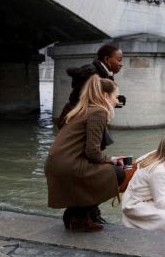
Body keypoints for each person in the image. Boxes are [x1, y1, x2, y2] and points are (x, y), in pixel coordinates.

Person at [45, 75, 126, 232]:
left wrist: (111, 159)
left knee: (108, 170)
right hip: (70, 166)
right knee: (118, 173)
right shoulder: (99, 113)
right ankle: (80, 217)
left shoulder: (81, 110)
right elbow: (92, 152)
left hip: (56, 164)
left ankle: (74, 214)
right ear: (105, 96)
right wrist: (112, 160)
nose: (117, 101)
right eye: (115, 97)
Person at [57, 44, 125, 130]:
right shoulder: (91, 73)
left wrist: (115, 100)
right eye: (119, 60)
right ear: (107, 59)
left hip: (84, 119)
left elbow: (96, 100)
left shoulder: (106, 74)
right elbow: (86, 100)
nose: (121, 64)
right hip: (77, 120)